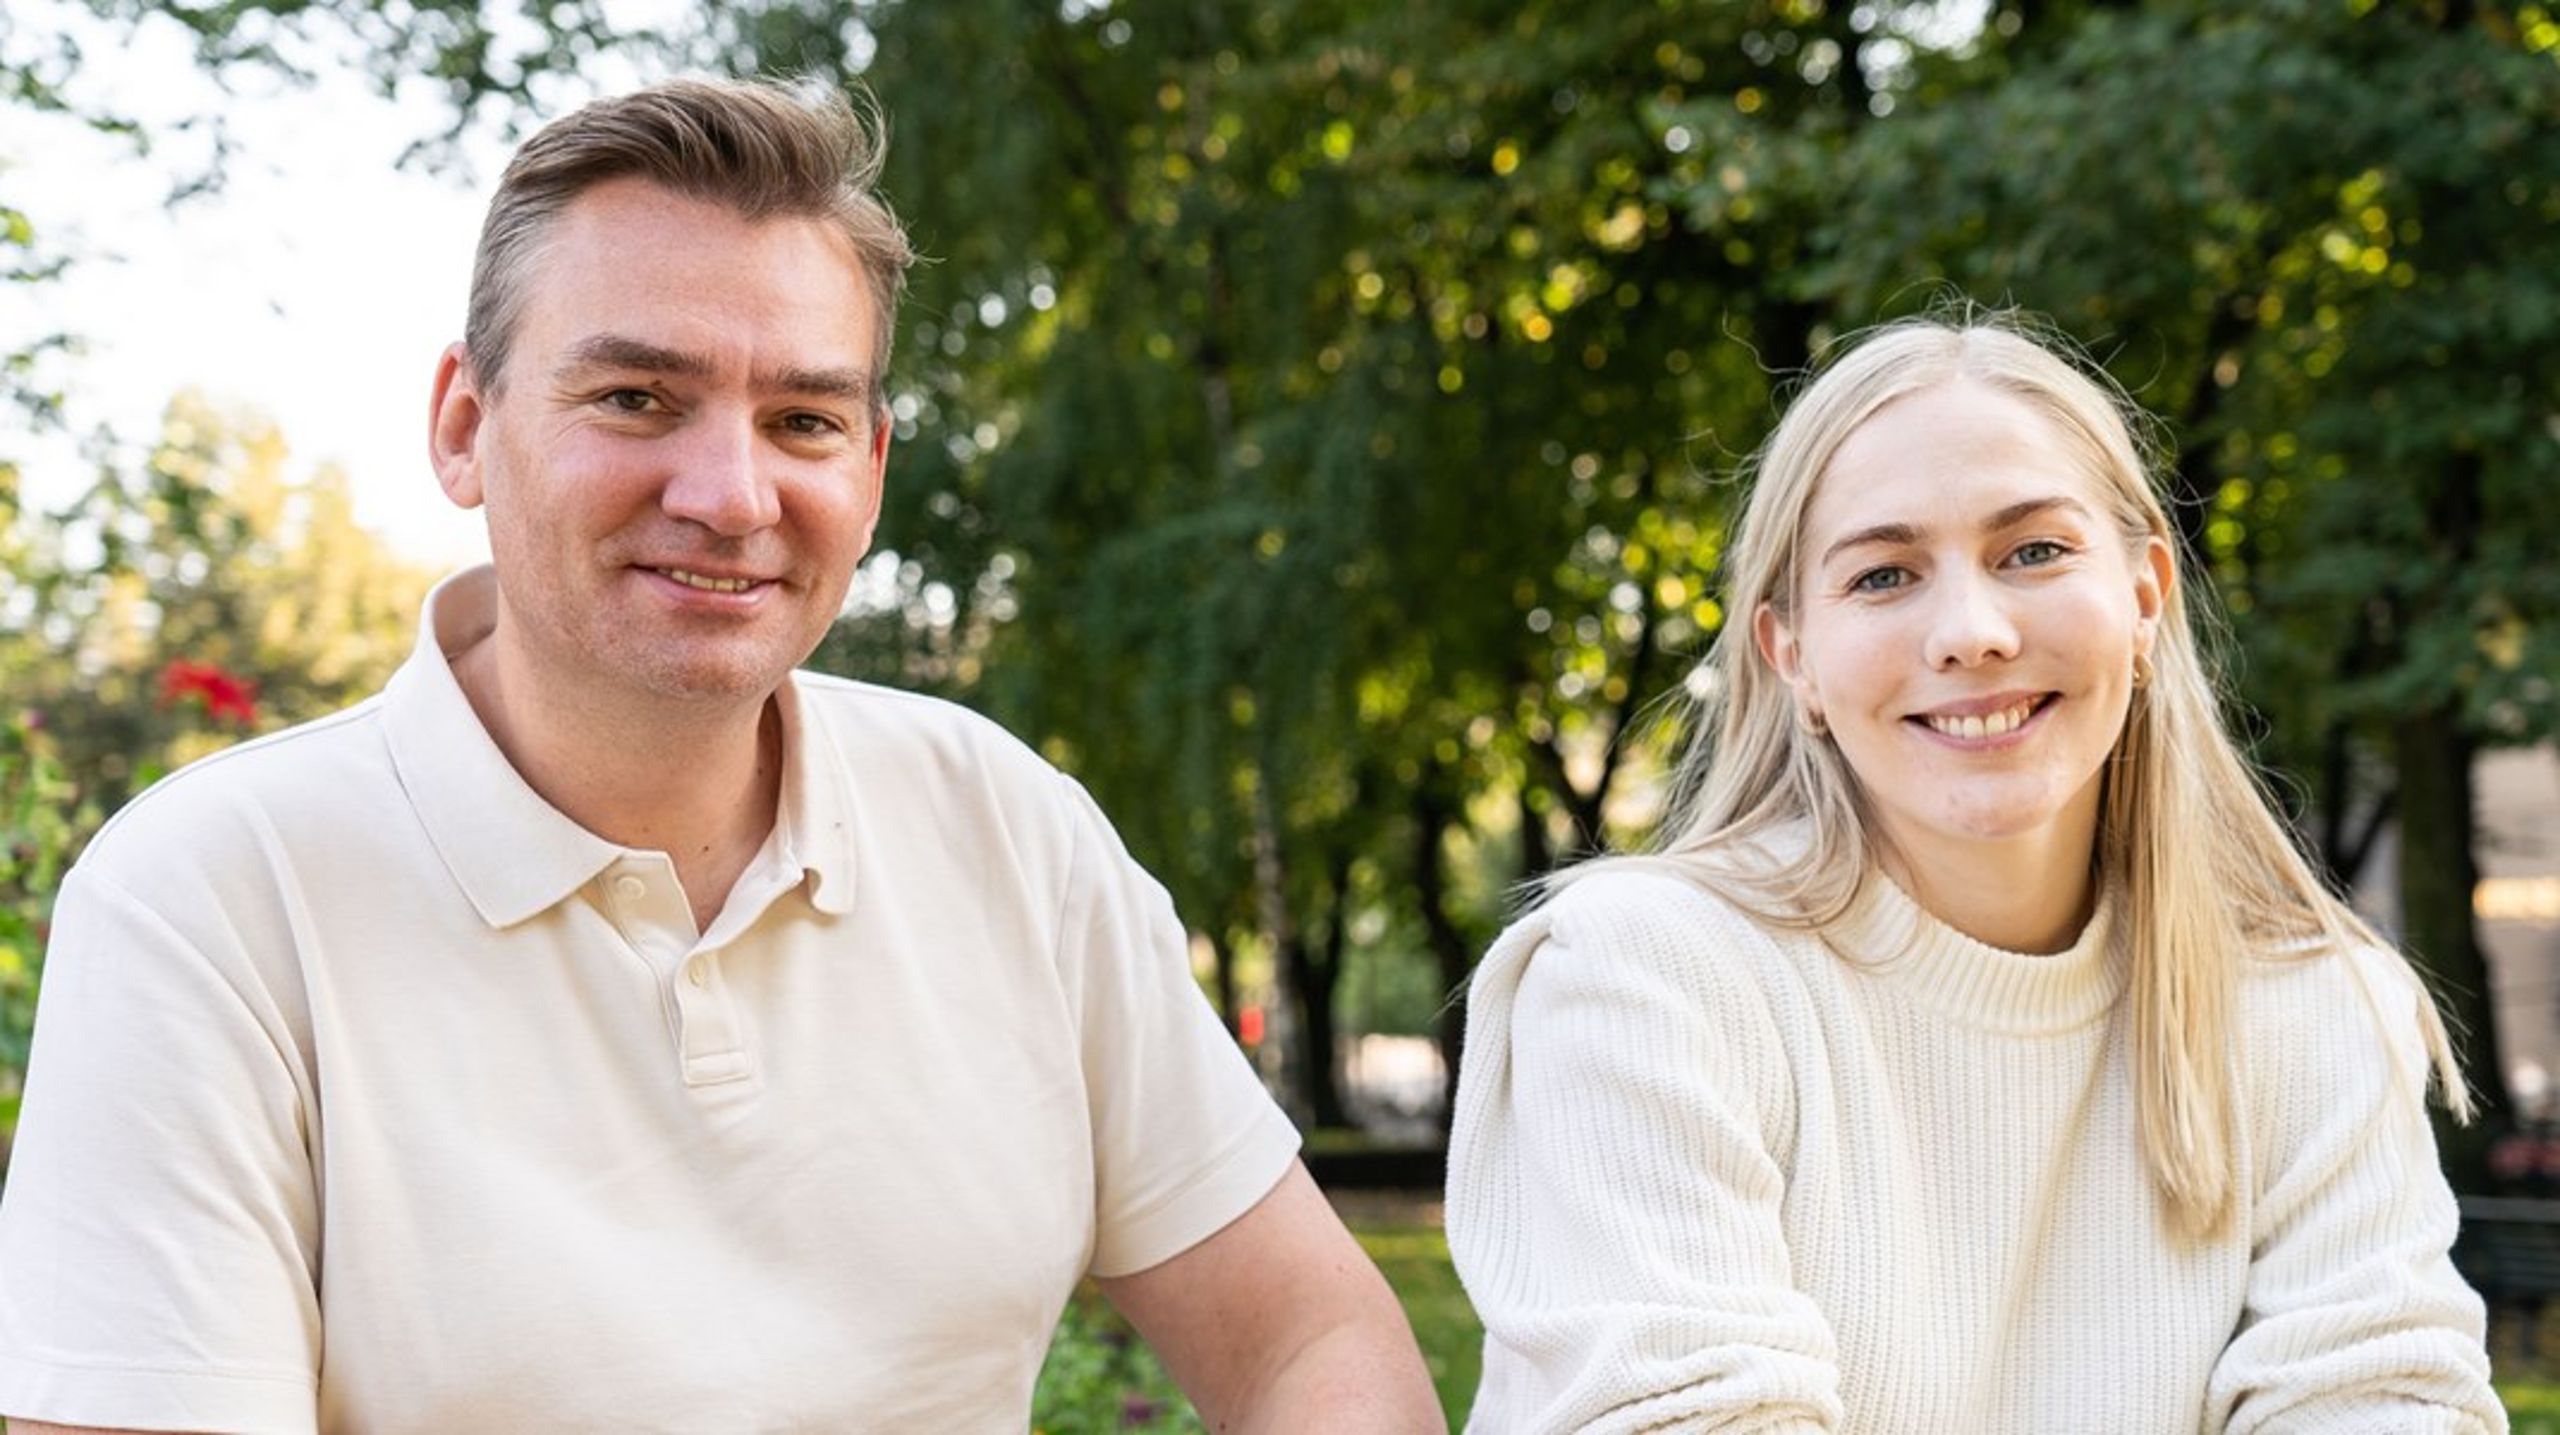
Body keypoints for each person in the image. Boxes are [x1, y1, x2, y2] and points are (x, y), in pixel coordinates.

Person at [0, 77, 1441, 1433]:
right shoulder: (209, 899)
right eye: (635, 398)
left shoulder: (1006, 824)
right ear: (463, 425)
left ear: (870, 472)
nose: (731, 493)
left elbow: (1312, 1340)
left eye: (802, 419)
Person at [1446, 314, 2503, 1432]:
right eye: (1884, 574)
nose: (1970, 630)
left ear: (2145, 597)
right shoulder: (1645, 978)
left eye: (2033, 552)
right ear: (1791, 656)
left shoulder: (2313, 1009)